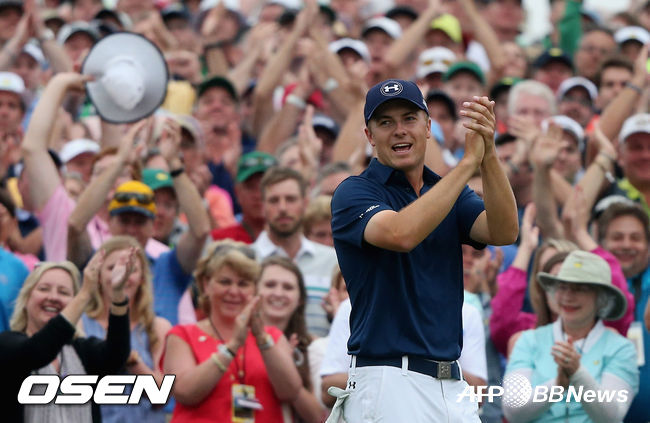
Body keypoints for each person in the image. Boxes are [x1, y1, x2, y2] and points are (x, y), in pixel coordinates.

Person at [329, 79, 518, 421]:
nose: (399, 130)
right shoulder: (353, 192)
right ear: (369, 136)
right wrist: (466, 164)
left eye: (409, 118)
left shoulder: (447, 191)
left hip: (451, 382)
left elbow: (504, 231)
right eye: (386, 122)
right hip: (388, 379)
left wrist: (488, 153)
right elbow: (401, 234)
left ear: (428, 127)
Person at [162, 240, 302, 422]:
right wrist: (232, 347)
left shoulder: (272, 337)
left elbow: (290, 392)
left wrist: (261, 339)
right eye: (225, 282)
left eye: (243, 284)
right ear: (206, 284)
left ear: (255, 289)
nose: (234, 291)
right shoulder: (182, 335)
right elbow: (184, 392)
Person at [504, 251, 639, 423]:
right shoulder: (529, 341)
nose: (568, 296)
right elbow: (512, 412)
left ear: (601, 297)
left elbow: (612, 417)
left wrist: (578, 374)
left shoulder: (621, 348)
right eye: (562, 287)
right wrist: (557, 386)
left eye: (580, 288)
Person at [0, 252, 133, 423]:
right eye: (43, 289)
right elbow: (38, 351)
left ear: (73, 305)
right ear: (26, 299)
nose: (53, 297)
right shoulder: (7, 344)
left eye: (63, 292)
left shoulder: (83, 351)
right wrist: (85, 293)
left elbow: (116, 355)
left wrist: (118, 294)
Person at [81, 236, 171, 423]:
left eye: (130, 269)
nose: (121, 275)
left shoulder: (157, 327)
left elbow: (161, 397)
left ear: (142, 278)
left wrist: (130, 360)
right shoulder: (80, 324)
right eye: (112, 268)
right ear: (99, 276)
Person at [257, 256, 326, 422]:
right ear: (255, 291)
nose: (278, 293)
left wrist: (286, 368)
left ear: (300, 299)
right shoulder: (236, 339)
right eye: (270, 285)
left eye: (288, 287)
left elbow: (319, 418)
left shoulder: (313, 347)